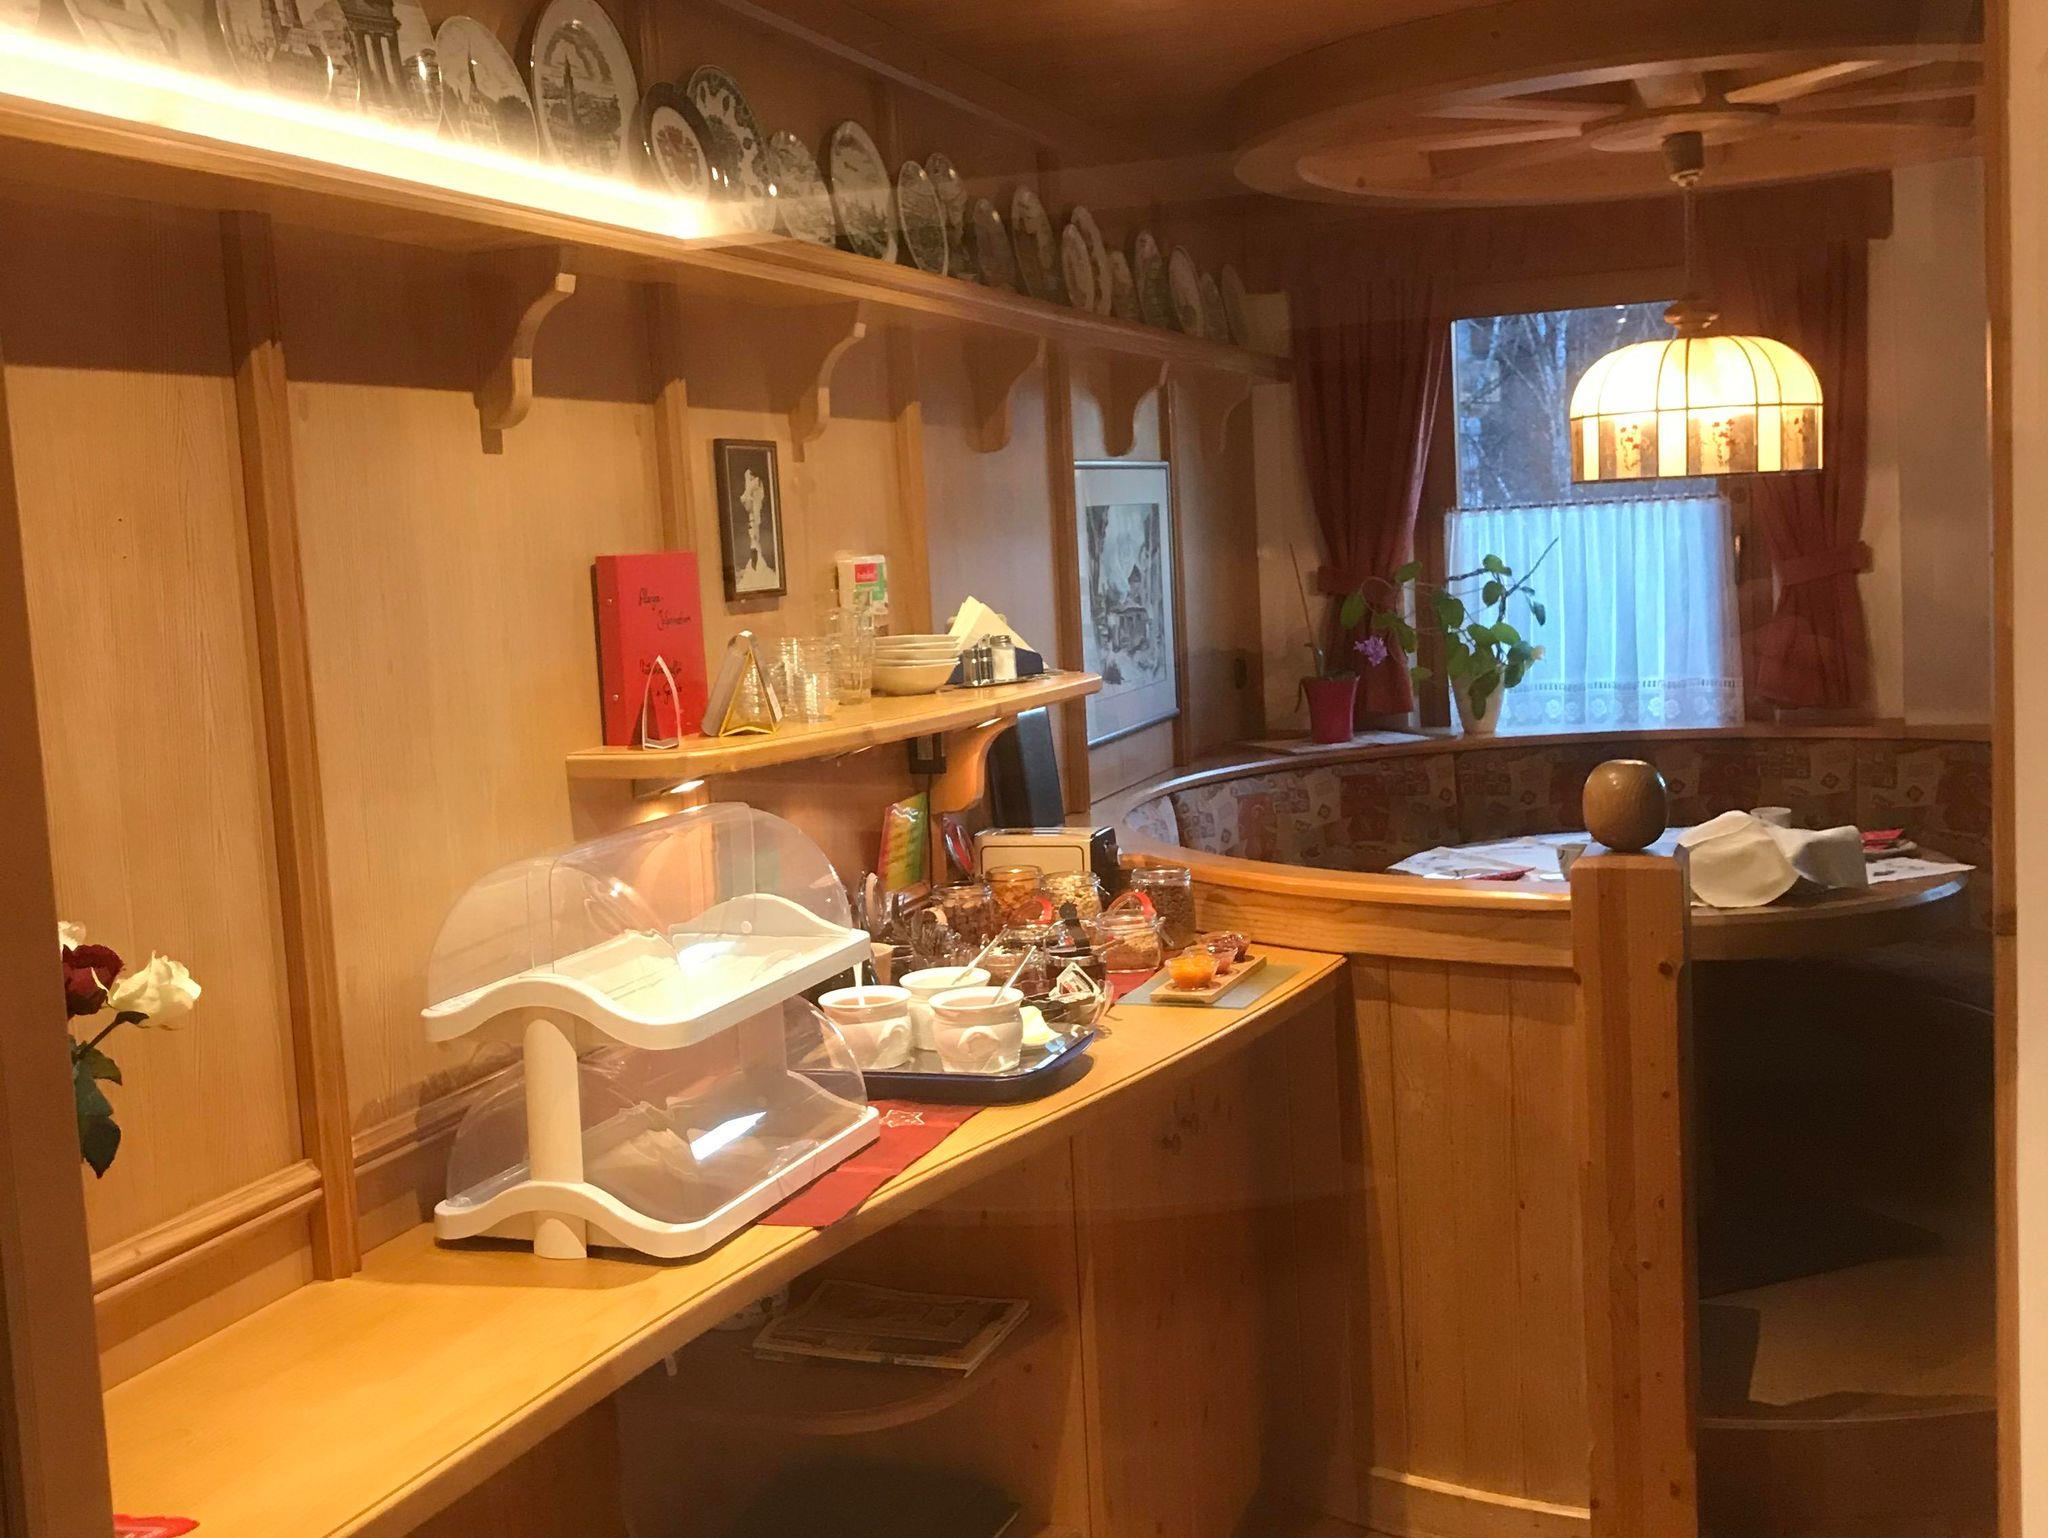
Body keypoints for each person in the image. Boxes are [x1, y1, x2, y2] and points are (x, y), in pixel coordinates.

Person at [734, 465, 778, 591]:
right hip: (754, 518)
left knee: (755, 542)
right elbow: (746, 500)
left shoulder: (756, 483)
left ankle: (757, 568)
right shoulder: (754, 485)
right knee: (754, 542)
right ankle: (755, 568)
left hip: (757, 518)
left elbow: (746, 499)